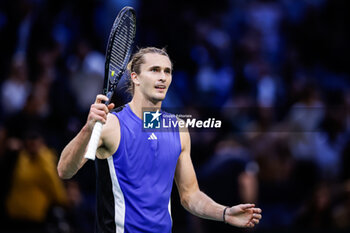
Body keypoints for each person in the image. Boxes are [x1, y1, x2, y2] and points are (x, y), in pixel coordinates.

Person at [57, 47, 262, 233]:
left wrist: (225, 213)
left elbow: (190, 196)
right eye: (154, 70)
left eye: (167, 71)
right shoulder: (111, 125)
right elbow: (65, 170)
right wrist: (88, 128)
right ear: (135, 77)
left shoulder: (178, 130)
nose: (163, 77)